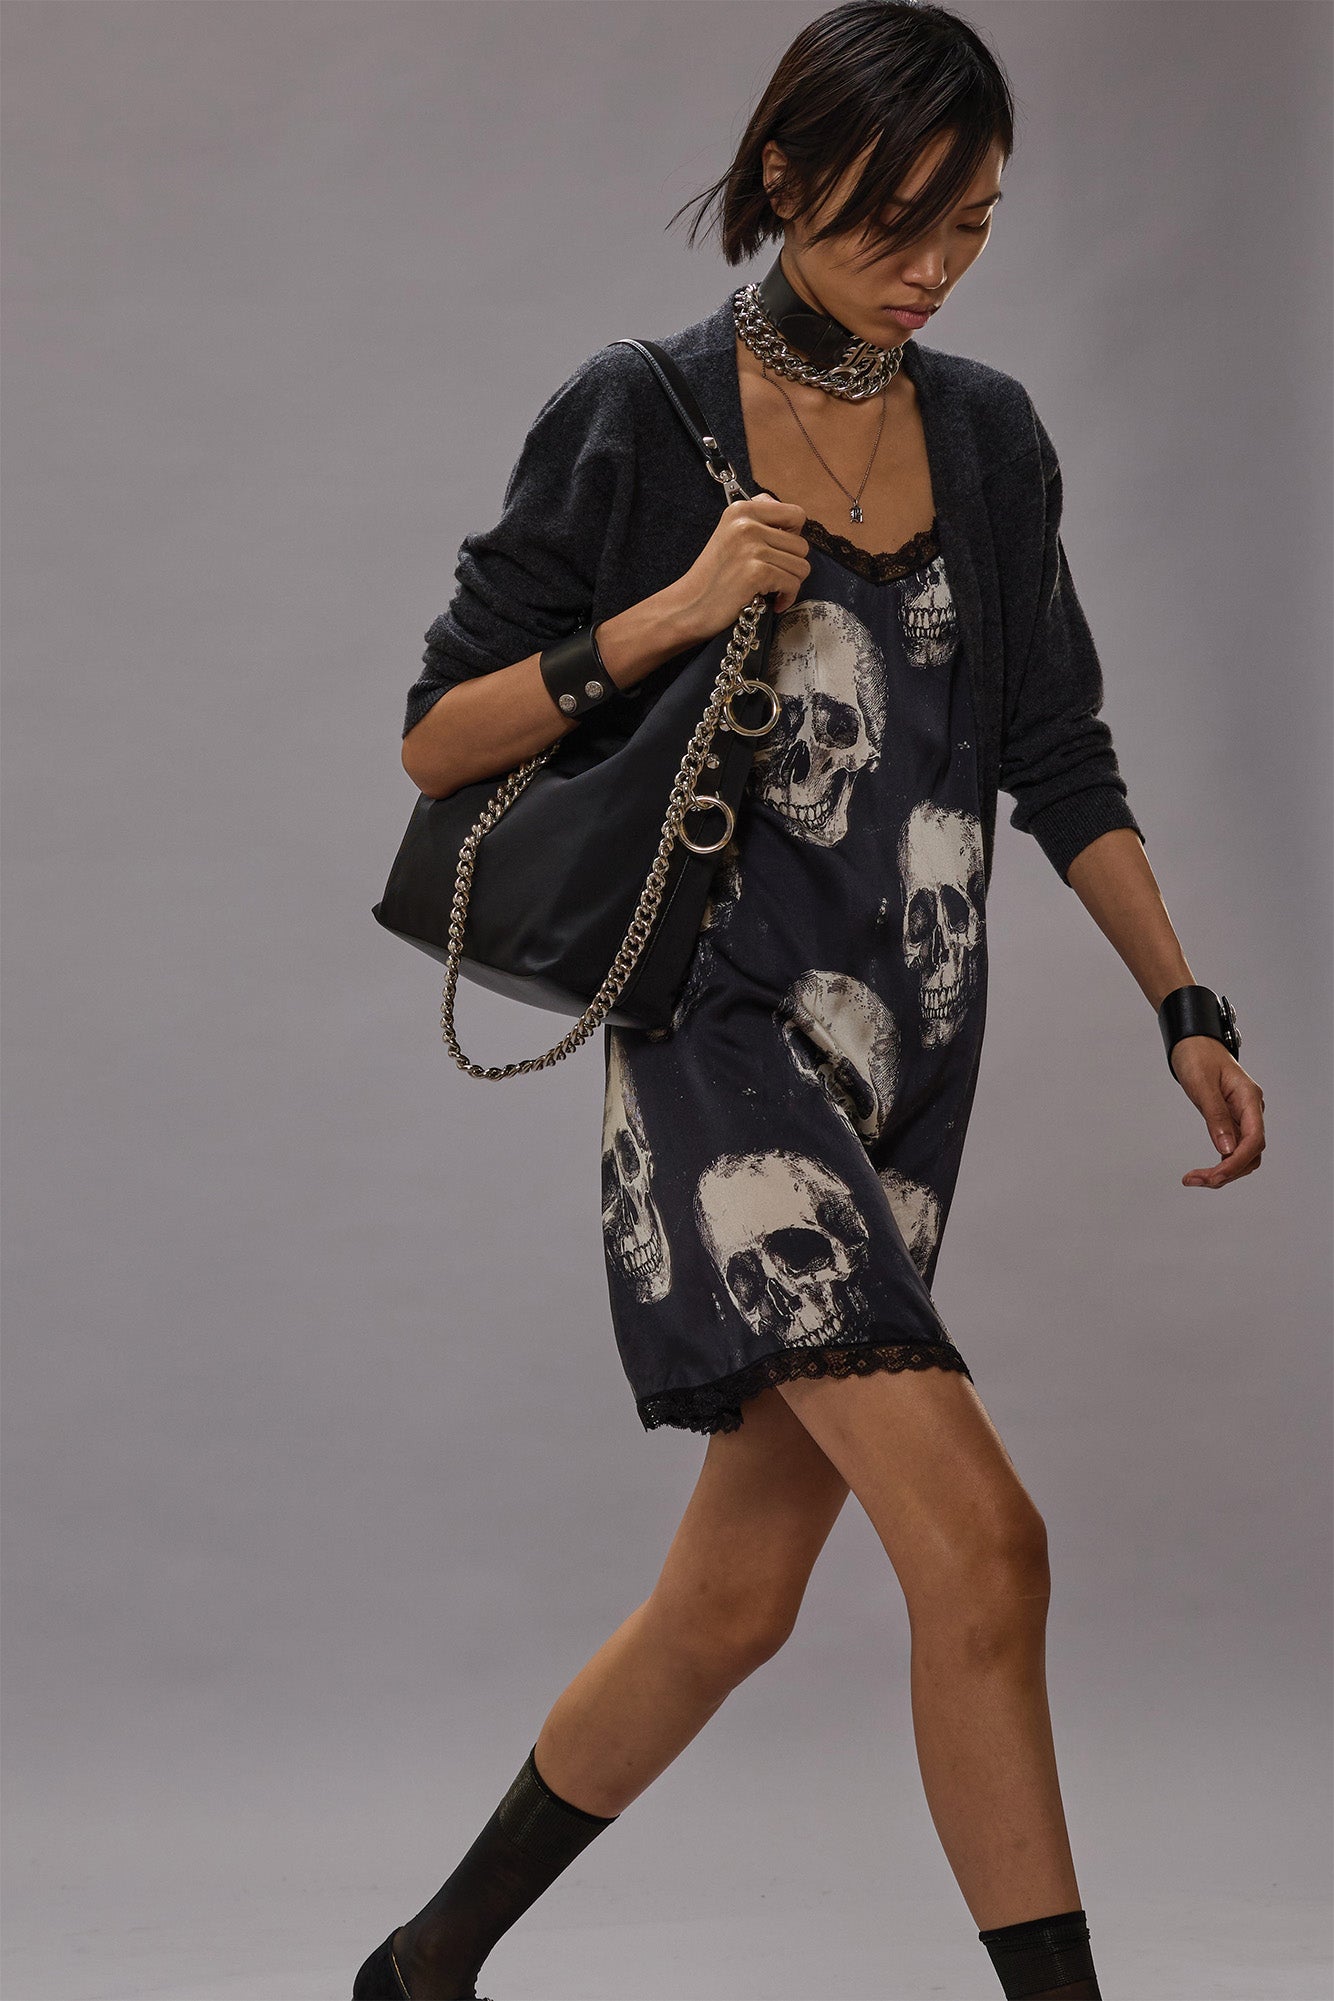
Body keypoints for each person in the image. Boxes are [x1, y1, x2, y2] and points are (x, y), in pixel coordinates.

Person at [353, 5, 1266, 1998]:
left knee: (732, 1602)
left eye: (973, 225)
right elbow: (437, 738)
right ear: (782, 175)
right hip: (714, 1035)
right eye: (892, 221)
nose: (933, 265)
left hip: (906, 1056)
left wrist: (1180, 999)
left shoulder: (991, 436)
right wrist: (673, 610)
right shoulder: (640, 413)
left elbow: (1057, 752)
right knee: (987, 1544)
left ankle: (416, 1970)